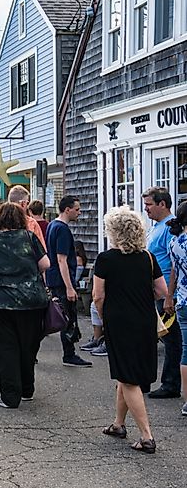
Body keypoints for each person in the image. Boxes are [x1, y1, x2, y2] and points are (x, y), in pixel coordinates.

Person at [95, 206, 166, 454]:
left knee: (127, 377)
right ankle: (118, 424)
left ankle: (147, 436)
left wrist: (104, 317)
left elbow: (98, 296)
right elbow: (161, 291)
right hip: (144, 319)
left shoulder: (105, 259)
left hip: (119, 320)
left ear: (113, 232)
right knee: (125, 374)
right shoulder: (148, 257)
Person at [0, 203, 50, 408]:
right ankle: (27, 389)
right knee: (28, 344)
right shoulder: (29, 238)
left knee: (5, 347)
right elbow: (45, 264)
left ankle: (9, 395)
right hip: (29, 300)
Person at [143, 187, 182, 399]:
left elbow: (175, 263)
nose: (146, 209)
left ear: (162, 204)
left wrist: (169, 295)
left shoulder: (170, 228)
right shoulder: (156, 227)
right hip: (157, 291)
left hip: (168, 290)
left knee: (171, 339)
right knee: (164, 337)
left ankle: (171, 383)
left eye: (149, 205)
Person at [45, 196, 92, 367]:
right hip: (62, 279)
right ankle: (69, 354)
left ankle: (69, 352)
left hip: (53, 278)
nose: (79, 213)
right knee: (67, 317)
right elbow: (61, 259)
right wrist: (69, 287)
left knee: (60, 315)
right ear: (67, 209)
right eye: (77, 209)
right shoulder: (62, 229)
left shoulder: (51, 225)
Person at [165, 201, 187, 416]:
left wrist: (169, 297)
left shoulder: (174, 242)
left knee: (185, 351)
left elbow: (173, 272)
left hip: (182, 300)